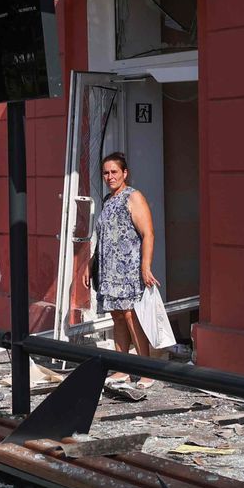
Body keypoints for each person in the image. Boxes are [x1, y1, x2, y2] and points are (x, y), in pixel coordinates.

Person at [88, 152, 159, 390]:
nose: (110, 176)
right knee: (116, 315)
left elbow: (148, 233)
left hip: (129, 268)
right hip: (109, 269)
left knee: (131, 315)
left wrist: (145, 265)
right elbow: (103, 238)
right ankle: (123, 367)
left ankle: (146, 369)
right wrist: (90, 265)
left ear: (124, 173)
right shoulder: (108, 200)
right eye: (106, 173)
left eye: (114, 172)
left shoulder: (133, 197)